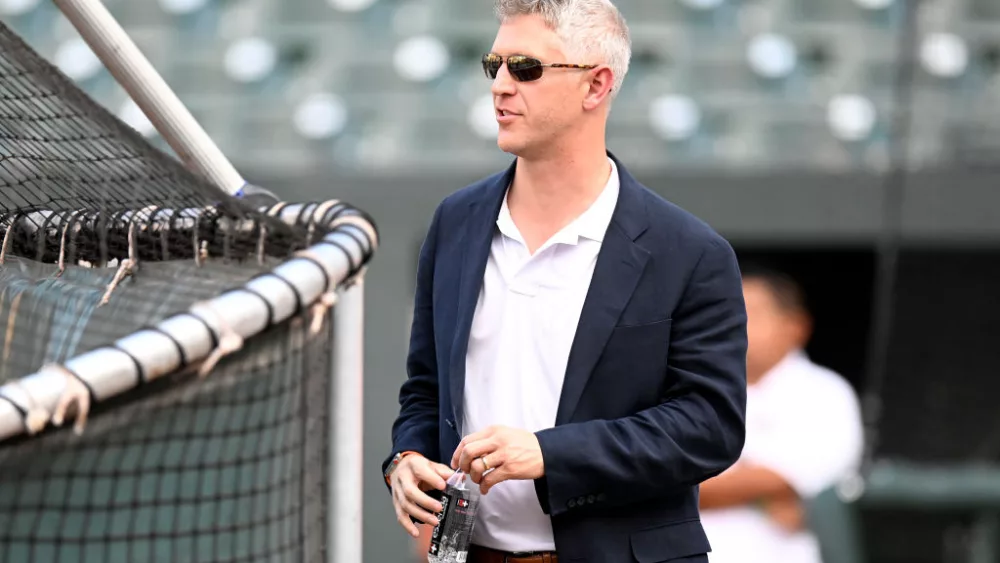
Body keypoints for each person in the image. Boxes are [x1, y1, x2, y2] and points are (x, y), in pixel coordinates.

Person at [382, 1, 749, 561]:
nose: (501, 85)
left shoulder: (690, 253)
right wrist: (405, 458)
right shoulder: (455, 222)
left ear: (596, 85)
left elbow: (709, 426)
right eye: (494, 65)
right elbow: (426, 390)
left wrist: (550, 453)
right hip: (466, 553)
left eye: (525, 67)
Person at [698, 266, 864, 563]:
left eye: (752, 313)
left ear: (796, 326)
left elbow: (783, 479)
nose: (734, 323)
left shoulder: (825, 392)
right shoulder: (690, 387)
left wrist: (674, 490)